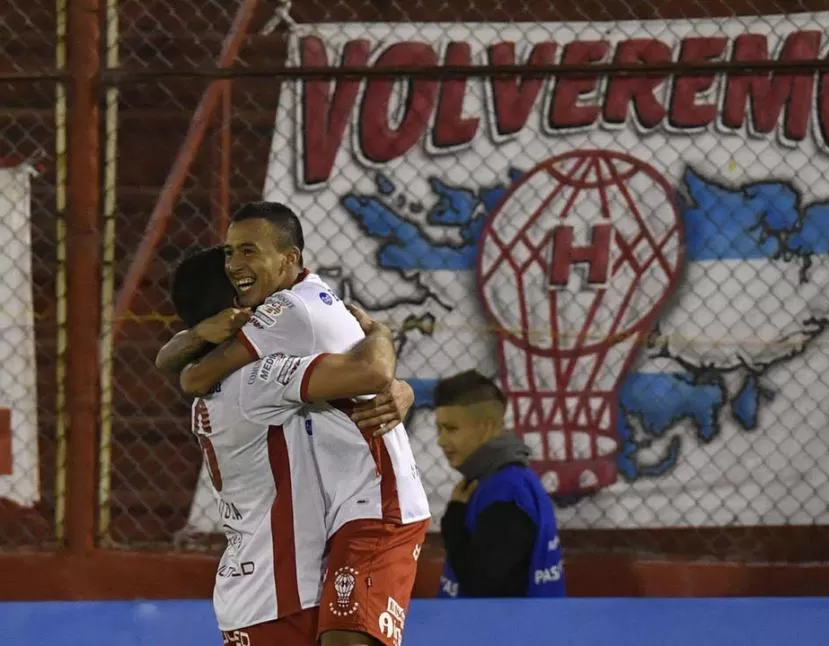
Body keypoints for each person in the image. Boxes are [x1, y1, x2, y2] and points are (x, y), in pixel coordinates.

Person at [155, 202, 431, 646]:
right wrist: (381, 334)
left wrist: (194, 341)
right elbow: (194, 374)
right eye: (230, 256)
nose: (237, 266)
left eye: (247, 251)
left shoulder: (284, 318)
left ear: (290, 259)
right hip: (300, 559)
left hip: (359, 512)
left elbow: (187, 370)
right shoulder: (258, 372)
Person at [433, 370, 566, 598]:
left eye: (451, 429)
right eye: (439, 430)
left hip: (502, 632)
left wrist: (454, 521)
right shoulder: (497, 480)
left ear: (486, 427)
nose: (441, 441)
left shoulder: (506, 491)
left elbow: (483, 585)